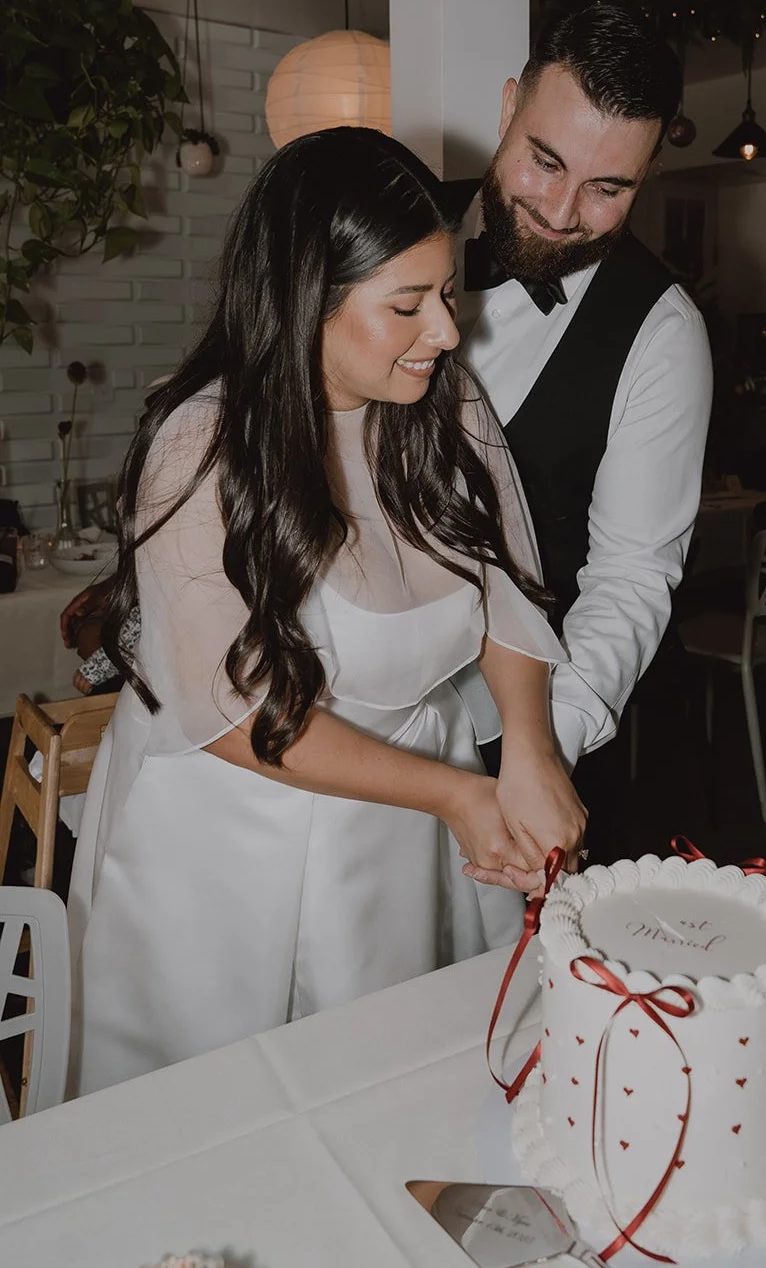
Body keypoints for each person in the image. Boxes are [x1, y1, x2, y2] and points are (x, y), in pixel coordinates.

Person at [68, 127, 585, 1096]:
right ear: (309, 297)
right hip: (224, 840)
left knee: (384, 1094)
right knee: (213, 1116)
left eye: (445, 294)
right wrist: (456, 794)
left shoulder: (446, 407)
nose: (444, 331)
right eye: (406, 305)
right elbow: (238, 715)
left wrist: (526, 746)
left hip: (396, 833)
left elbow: (505, 590)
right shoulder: (200, 448)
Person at [453, 6, 714, 871]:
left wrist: (537, 751)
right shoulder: (387, 229)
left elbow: (632, 574)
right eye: (544, 160)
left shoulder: (661, 329)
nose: (562, 213)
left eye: (609, 188)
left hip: (521, 727)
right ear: (504, 112)